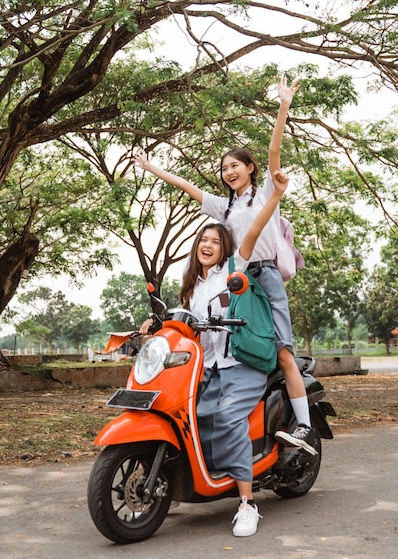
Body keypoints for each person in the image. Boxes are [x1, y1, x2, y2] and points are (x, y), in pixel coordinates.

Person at [133, 75, 316, 456]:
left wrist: (283, 106)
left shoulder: (266, 193)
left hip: (263, 276)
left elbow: (274, 154)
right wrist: (151, 169)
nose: (229, 172)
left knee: (282, 352)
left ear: (250, 168)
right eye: (224, 168)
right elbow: (188, 187)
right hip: (233, 281)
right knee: (228, 347)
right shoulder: (226, 206)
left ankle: (303, 426)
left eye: (235, 166)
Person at [140, 170, 289, 537]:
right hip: (206, 368)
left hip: (242, 364)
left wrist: (275, 196)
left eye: (214, 241)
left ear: (224, 247)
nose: (207, 245)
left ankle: (246, 503)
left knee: (225, 418)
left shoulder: (234, 269)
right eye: (202, 240)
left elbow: (254, 229)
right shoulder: (192, 287)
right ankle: (180, 481)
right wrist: (154, 324)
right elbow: (182, 322)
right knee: (191, 416)